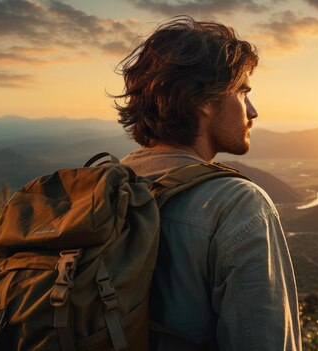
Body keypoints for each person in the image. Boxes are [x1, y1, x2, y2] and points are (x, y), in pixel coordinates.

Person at [114, 16, 301, 350]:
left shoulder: (105, 191)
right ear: (202, 99)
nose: (253, 111)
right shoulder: (237, 205)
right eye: (243, 92)